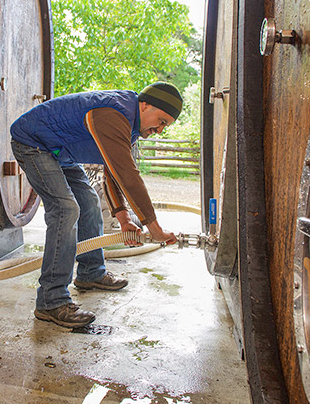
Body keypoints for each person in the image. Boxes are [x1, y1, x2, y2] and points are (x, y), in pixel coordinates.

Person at [10, 82, 181, 328]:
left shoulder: (129, 126)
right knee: (66, 210)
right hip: (35, 143)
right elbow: (128, 175)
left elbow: (112, 172)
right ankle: (51, 300)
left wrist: (124, 219)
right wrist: (153, 227)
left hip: (62, 151)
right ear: (145, 105)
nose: (160, 129)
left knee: (89, 202)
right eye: (161, 121)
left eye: (166, 126)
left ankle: (91, 273)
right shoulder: (113, 114)